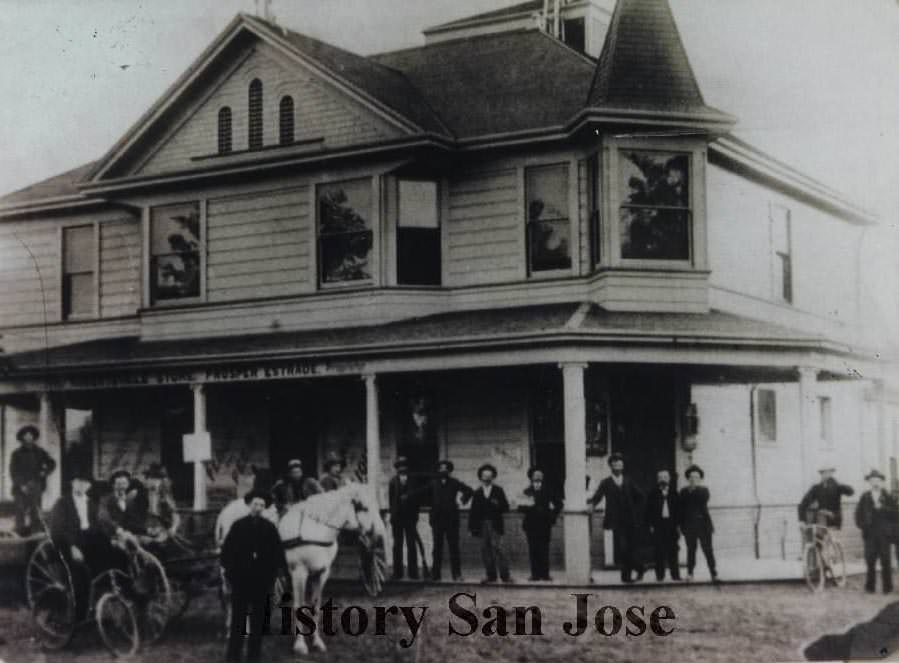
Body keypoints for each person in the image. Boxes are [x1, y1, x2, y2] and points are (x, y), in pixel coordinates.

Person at [220, 489, 288, 663]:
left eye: (262, 505)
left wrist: (274, 575)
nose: (258, 508)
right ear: (249, 505)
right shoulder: (238, 526)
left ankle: (253, 655)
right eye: (255, 504)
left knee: (258, 621)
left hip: (261, 581)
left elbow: (278, 554)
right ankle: (233, 655)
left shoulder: (270, 528)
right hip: (241, 581)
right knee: (238, 619)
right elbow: (227, 553)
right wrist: (231, 574)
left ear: (265, 508)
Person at [48, 467, 104, 618]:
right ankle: (79, 615)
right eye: (78, 482)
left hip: (88, 542)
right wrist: (72, 546)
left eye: (85, 482)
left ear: (89, 486)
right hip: (66, 543)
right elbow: (57, 529)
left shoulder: (92, 504)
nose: (81, 485)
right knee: (80, 572)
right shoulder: (62, 503)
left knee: (112, 561)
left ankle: (102, 606)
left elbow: (98, 526)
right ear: (72, 483)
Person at [587, 452, 645, 583]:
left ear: (623, 466)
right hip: (616, 521)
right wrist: (591, 505)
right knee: (622, 548)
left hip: (630, 521)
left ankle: (628, 576)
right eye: (614, 464)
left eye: (620, 464)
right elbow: (597, 496)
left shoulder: (629, 481)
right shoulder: (606, 482)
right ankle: (639, 568)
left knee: (630, 548)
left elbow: (640, 497)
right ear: (611, 466)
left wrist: (635, 512)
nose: (617, 467)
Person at [427, 459, 473, 581]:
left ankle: (456, 574)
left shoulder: (454, 483)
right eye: (441, 468)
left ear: (449, 470)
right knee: (437, 548)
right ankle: (435, 574)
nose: (443, 470)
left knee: (454, 548)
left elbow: (469, 490)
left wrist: (462, 500)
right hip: (437, 520)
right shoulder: (433, 483)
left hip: (451, 520)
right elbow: (421, 494)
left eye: (446, 468)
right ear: (438, 470)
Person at [468, 463, 512, 584]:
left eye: (489, 476)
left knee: (499, 549)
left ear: (493, 477)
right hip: (482, 525)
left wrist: (497, 503)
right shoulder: (477, 493)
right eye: (484, 476)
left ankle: (505, 576)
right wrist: (472, 528)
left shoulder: (498, 490)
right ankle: (491, 576)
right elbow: (473, 512)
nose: (487, 478)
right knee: (485, 550)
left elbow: (506, 507)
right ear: (480, 477)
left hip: (495, 524)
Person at [855, 469, 897, 594]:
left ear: (882, 482)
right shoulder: (865, 496)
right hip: (870, 534)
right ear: (869, 482)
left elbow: (896, 514)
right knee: (870, 560)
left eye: (878, 480)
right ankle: (870, 587)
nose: (875, 483)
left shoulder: (888, 496)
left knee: (886, 561)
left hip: (884, 534)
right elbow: (858, 514)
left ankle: (887, 588)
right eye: (873, 481)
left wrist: (883, 508)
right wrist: (862, 525)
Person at [10, 424, 56, 536]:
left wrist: (44, 473)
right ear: (22, 438)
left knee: (35, 510)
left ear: (34, 437)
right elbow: (13, 471)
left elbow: (51, 463)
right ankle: (20, 533)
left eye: (30, 435)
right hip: (20, 486)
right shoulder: (16, 453)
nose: (28, 438)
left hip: (36, 484)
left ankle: (35, 533)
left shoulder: (40, 452)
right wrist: (21, 485)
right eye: (26, 436)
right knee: (20, 510)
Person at [518, 467, 562, 581]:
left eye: (540, 475)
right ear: (531, 477)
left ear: (543, 477)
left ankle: (545, 574)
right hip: (531, 525)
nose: (538, 477)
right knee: (533, 549)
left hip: (544, 524)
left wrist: (552, 516)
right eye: (535, 475)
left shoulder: (549, 490)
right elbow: (520, 508)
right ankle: (535, 574)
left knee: (544, 548)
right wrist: (527, 506)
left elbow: (559, 504)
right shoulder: (526, 492)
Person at [678, 464, 717, 582]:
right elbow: (682, 508)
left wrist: (695, 488)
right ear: (687, 478)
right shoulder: (683, 491)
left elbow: (702, 501)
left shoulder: (704, 490)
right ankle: (690, 573)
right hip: (689, 526)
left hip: (703, 525)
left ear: (700, 479)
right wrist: (681, 526)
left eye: (696, 477)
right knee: (691, 550)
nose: (693, 479)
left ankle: (713, 573)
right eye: (691, 477)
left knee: (708, 549)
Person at [388, 457, 420, 579]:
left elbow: (417, 501)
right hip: (397, 518)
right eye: (400, 466)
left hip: (410, 518)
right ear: (397, 468)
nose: (402, 468)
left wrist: (416, 516)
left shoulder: (413, 481)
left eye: (404, 465)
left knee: (411, 544)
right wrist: (392, 515)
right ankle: (398, 573)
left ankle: (413, 573)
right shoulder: (392, 482)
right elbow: (391, 501)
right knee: (397, 545)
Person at [646, 468, 681, 581]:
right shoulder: (652, 493)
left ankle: (675, 575)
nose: (663, 480)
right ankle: (660, 576)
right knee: (659, 551)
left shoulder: (674, 492)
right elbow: (648, 511)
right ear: (657, 480)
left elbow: (679, 511)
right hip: (658, 525)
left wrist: (678, 526)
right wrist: (651, 525)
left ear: (669, 479)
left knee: (673, 550)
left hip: (671, 525)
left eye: (665, 477)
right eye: (660, 477)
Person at [798, 466, 855, 531]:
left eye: (829, 472)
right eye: (824, 472)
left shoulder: (837, 486)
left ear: (831, 473)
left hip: (834, 519)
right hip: (821, 520)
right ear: (821, 474)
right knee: (820, 539)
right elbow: (803, 504)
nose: (826, 474)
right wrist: (802, 520)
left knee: (833, 538)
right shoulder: (816, 488)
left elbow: (851, 492)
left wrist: (841, 483)